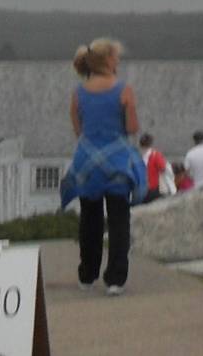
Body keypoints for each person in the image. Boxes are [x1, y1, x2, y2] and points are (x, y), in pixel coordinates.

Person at [59, 38, 145, 295]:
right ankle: (115, 278)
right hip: (116, 161)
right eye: (116, 57)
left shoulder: (79, 92)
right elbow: (131, 128)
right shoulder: (124, 90)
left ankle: (87, 274)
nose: (118, 61)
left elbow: (78, 130)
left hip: (87, 162)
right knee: (119, 220)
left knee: (90, 219)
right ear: (108, 60)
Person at [139, 134, 172, 203]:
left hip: (141, 189)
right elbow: (163, 168)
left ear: (140, 144)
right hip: (154, 188)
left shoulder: (137, 156)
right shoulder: (155, 155)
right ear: (151, 143)